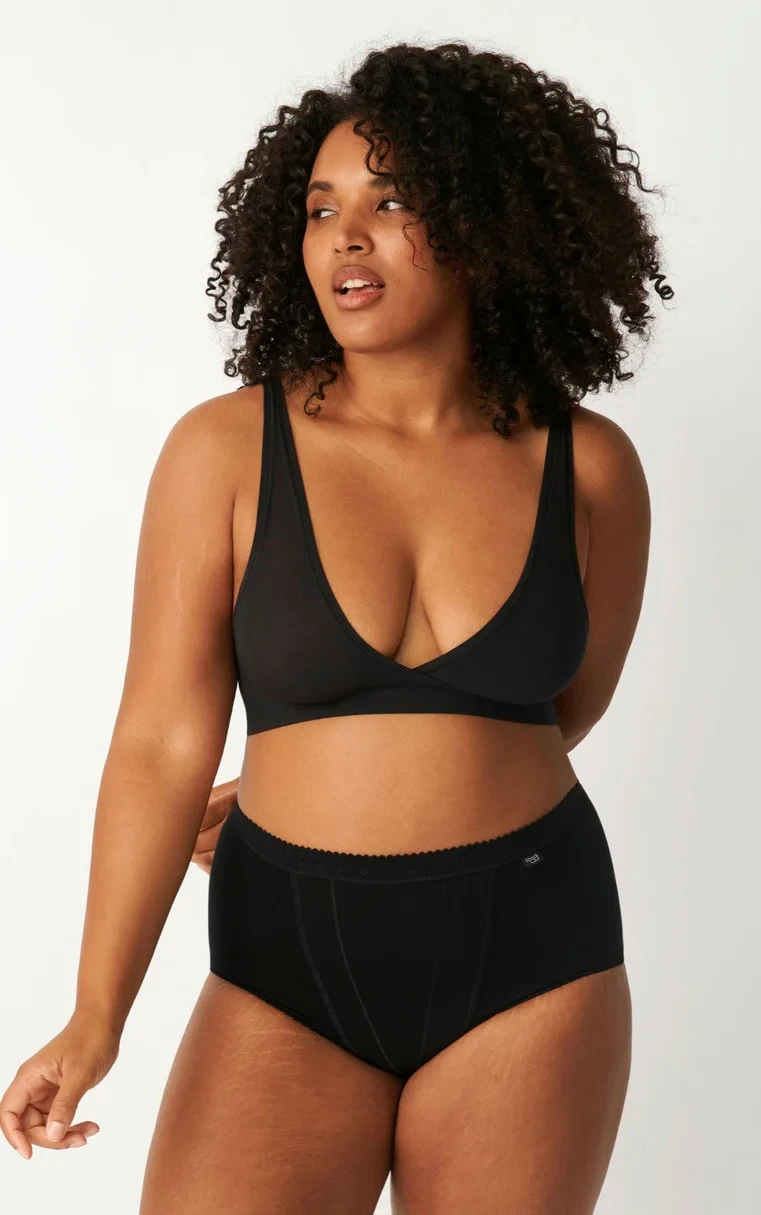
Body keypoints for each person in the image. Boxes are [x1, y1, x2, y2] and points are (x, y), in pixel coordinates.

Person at [1, 39, 668, 1213]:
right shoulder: (224, 451)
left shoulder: (592, 468)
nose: (345, 238)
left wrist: (392, 770)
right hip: (286, 958)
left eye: (392, 202)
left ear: (490, 223)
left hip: (534, 948)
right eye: (320, 210)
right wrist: (96, 1015)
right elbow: (159, 740)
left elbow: (561, 705)